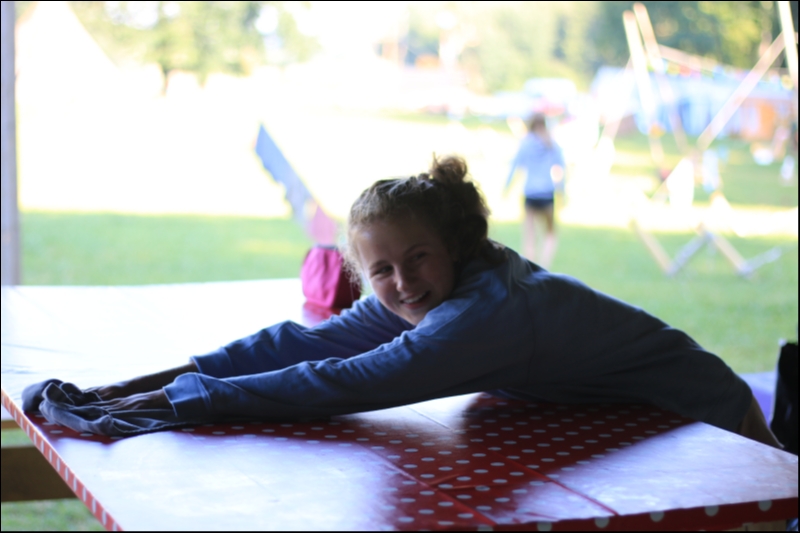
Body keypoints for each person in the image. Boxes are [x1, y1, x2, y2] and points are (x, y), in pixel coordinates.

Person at [24, 156, 779, 448]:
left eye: (417, 258)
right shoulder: (430, 290)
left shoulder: (483, 314)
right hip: (634, 414)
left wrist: (167, 407)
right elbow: (299, 344)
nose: (403, 281)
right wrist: (130, 386)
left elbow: (344, 383)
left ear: (455, 243)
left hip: (707, 421)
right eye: (381, 269)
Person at [504, 113, 565, 269]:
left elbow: (515, 166)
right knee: (550, 233)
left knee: (529, 236)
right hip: (547, 193)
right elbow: (560, 168)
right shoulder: (551, 143)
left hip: (530, 193)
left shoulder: (526, 143)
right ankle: (545, 266)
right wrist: (562, 191)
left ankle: (530, 269)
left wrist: (506, 188)